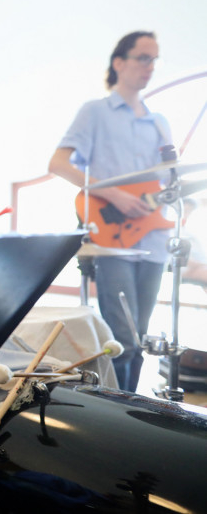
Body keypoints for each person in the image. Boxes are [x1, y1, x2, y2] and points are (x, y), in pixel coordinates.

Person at [48, 31, 172, 393]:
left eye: (154, 59)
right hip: (112, 238)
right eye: (143, 58)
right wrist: (113, 194)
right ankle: (113, 412)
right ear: (119, 62)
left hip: (154, 239)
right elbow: (58, 163)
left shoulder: (159, 121)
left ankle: (129, 412)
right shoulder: (95, 112)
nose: (150, 66)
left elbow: (169, 182)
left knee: (140, 341)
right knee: (123, 342)